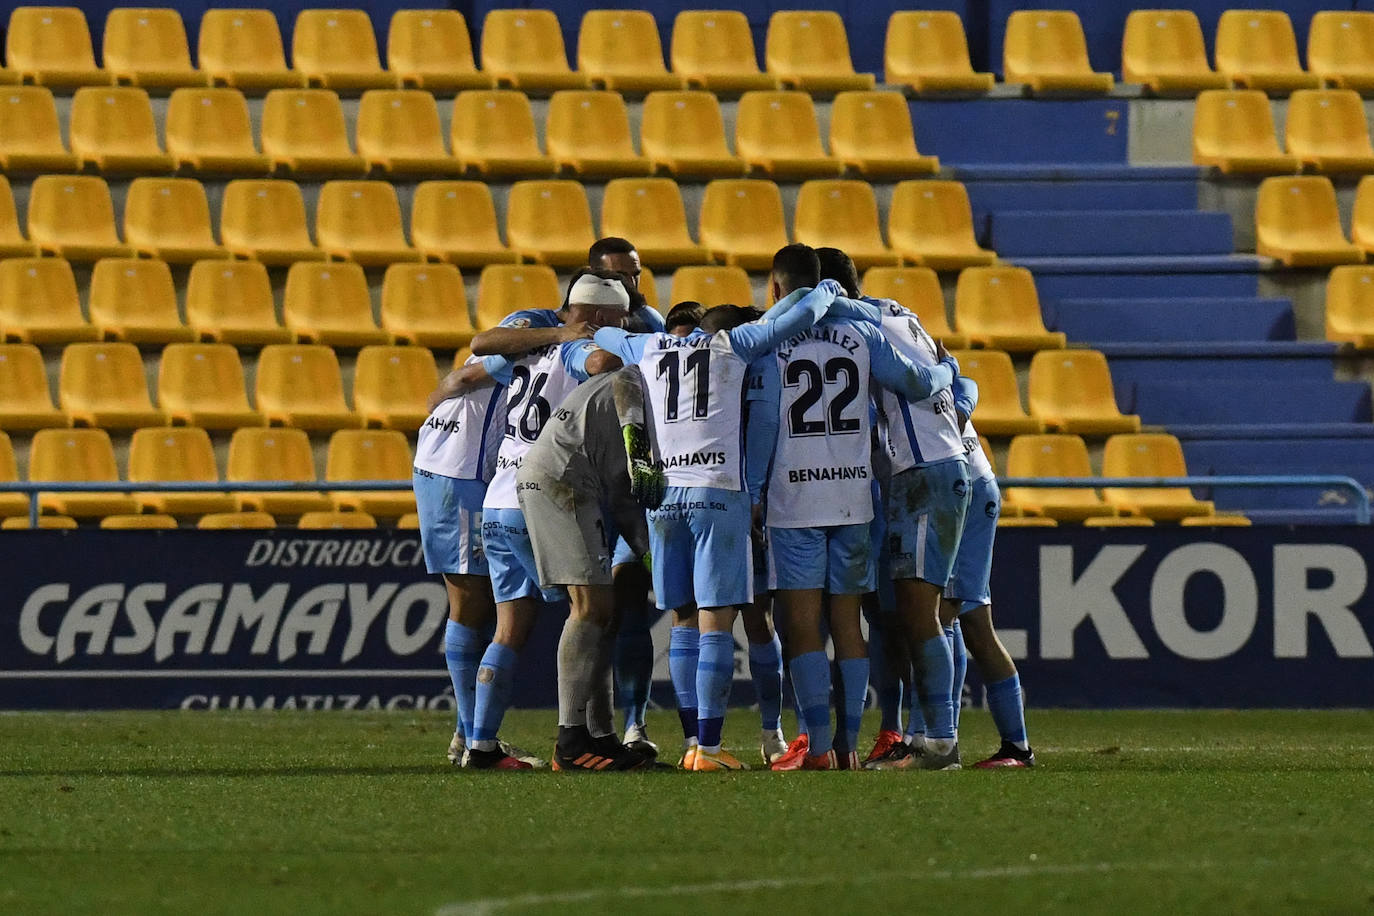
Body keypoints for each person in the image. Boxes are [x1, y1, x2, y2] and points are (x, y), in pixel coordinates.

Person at [594, 258, 846, 771]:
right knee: (717, 623)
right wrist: (826, 289)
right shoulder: (735, 346)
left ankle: (693, 745)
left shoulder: (652, 346)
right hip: (719, 493)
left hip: (664, 499)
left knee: (683, 619)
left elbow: (603, 335)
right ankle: (708, 747)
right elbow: (796, 318)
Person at [761, 246, 960, 771]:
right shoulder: (866, 330)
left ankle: (819, 748)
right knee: (851, 623)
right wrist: (949, 373)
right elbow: (916, 384)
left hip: (794, 497)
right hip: (853, 496)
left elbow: (758, 423)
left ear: (777, 288)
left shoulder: (766, 339)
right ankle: (851, 747)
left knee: (802, 625)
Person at [463, 272, 629, 770]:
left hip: (498, 500)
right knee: (594, 610)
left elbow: (482, 345)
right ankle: (581, 739)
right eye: (617, 321)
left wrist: (554, 332)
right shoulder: (579, 344)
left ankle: (481, 746)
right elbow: (598, 360)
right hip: (545, 495)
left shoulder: (526, 342)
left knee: (509, 627)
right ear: (600, 317)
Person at [658, 303, 790, 767]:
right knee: (752, 618)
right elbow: (766, 427)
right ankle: (760, 736)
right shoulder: (752, 362)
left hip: (678, 493)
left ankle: (697, 742)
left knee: (688, 617)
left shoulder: (682, 364)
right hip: (738, 497)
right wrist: (754, 493)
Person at [517, 365, 668, 770]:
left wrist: (648, 553)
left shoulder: (649, 374)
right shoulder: (647, 374)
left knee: (604, 611)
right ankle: (569, 742)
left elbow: (623, 496)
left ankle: (601, 737)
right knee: (590, 607)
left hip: (568, 480)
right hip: (561, 480)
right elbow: (627, 381)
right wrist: (651, 555)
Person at [416, 354, 547, 768]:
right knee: (470, 606)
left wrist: (436, 396)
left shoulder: (521, 342)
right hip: (460, 475)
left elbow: (461, 375)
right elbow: (469, 372)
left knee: (485, 604)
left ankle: (467, 732)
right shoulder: (531, 340)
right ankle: (474, 739)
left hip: (455, 473)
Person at [590, 237, 667, 758]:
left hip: (637, 487)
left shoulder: (653, 325)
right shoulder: (583, 333)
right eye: (620, 277)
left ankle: (636, 725)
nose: (632, 286)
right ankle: (590, 727)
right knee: (592, 612)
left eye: (636, 275)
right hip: (592, 486)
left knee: (632, 602)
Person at [940, 409, 1036, 768]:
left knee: (941, 616)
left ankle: (942, 740)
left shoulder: (899, 362)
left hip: (960, 485)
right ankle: (1015, 747)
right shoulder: (937, 363)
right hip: (974, 480)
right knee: (975, 624)